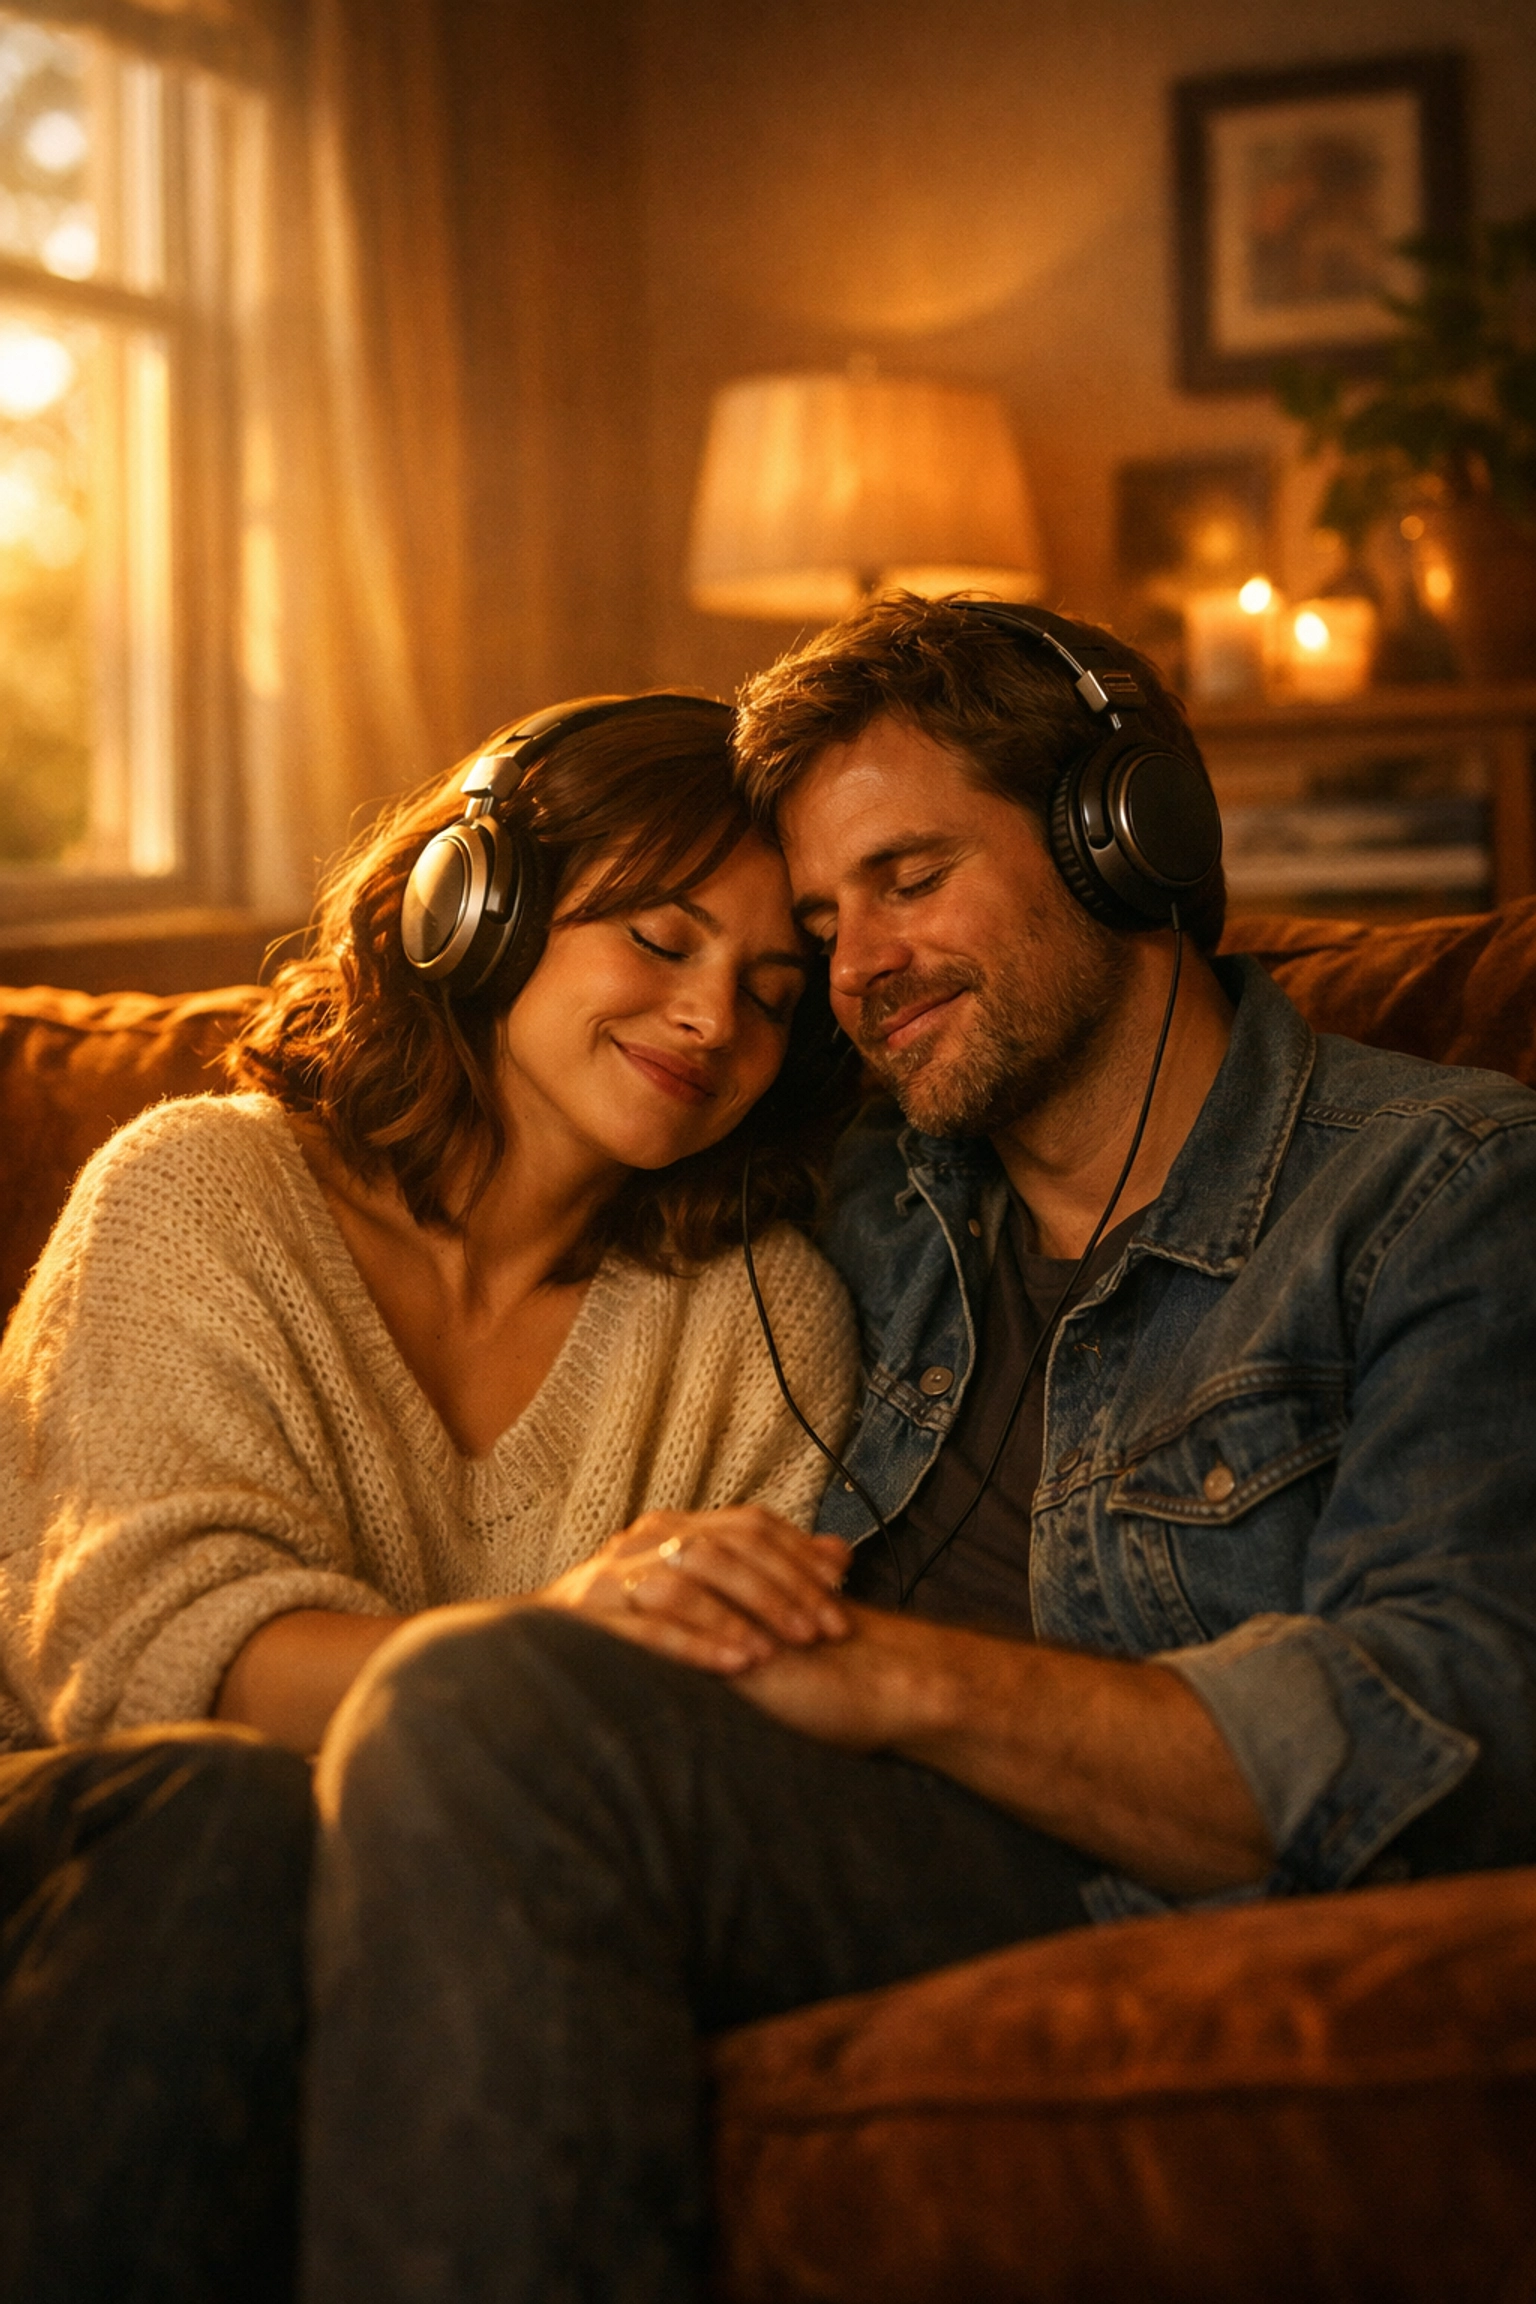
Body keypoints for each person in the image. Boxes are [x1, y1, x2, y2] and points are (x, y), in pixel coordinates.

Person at [297, 598, 1536, 2304]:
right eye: (825, 922)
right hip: (821, 1829)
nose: (858, 973)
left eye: (911, 877)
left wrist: (892, 1678)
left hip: (1121, 1886)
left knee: (474, 1704)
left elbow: (1449, 1739)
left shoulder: (1438, 1192)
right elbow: (541, 1088)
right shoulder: (857, 1192)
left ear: (1122, 840)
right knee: (243, 1813)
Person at [0, 689, 861, 2301]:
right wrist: (555, 1650)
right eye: (660, 941)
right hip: (83, 1843)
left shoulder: (764, 1321)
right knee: (229, 1814)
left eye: (768, 991)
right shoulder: (199, 1187)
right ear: (474, 907)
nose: (712, 1023)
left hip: (446, 1934)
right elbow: (137, 1662)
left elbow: (717, 1725)